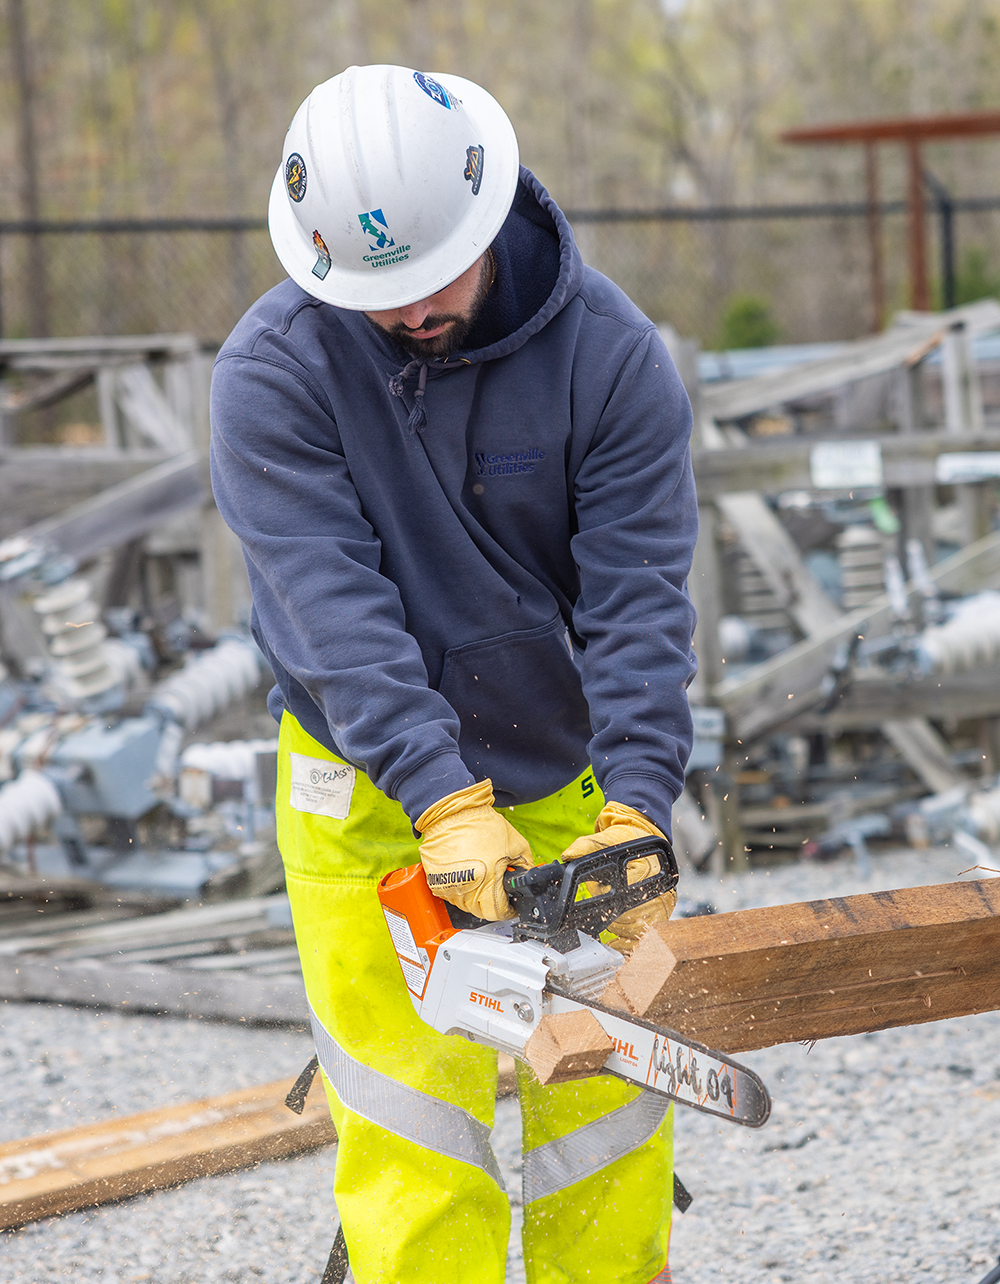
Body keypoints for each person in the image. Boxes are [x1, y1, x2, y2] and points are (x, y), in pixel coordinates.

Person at [210, 63, 697, 1284]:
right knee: (413, 1122)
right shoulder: (273, 374)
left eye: (432, 278)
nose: (410, 312)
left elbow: (639, 600)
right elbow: (331, 611)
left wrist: (638, 803)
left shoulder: (611, 358)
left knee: (606, 1113)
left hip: (558, 768)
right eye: (378, 294)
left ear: (486, 218)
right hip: (363, 787)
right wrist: (437, 796)